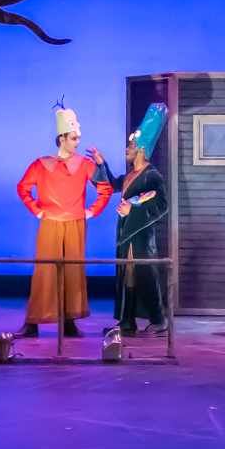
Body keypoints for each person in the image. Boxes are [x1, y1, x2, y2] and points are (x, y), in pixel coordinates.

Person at [15, 102, 113, 338]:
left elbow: (106, 188)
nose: (78, 142)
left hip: (75, 224)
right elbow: (23, 188)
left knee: (73, 272)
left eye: (78, 138)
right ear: (62, 139)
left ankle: (69, 320)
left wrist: (91, 211)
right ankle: (32, 323)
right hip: (50, 223)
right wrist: (38, 211)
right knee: (44, 272)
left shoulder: (85, 165)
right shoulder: (41, 164)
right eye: (74, 138)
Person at [101, 104, 170, 336]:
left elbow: (161, 204)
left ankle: (158, 320)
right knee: (128, 275)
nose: (127, 149)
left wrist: (133, 208)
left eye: (130, 146)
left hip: (140, 235)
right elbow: (113, 185)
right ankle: (127, 321)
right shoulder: (130, 174)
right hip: (126, 233)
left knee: (145, 276)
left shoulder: (151, 175)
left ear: (141, 149)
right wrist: (101, 164)